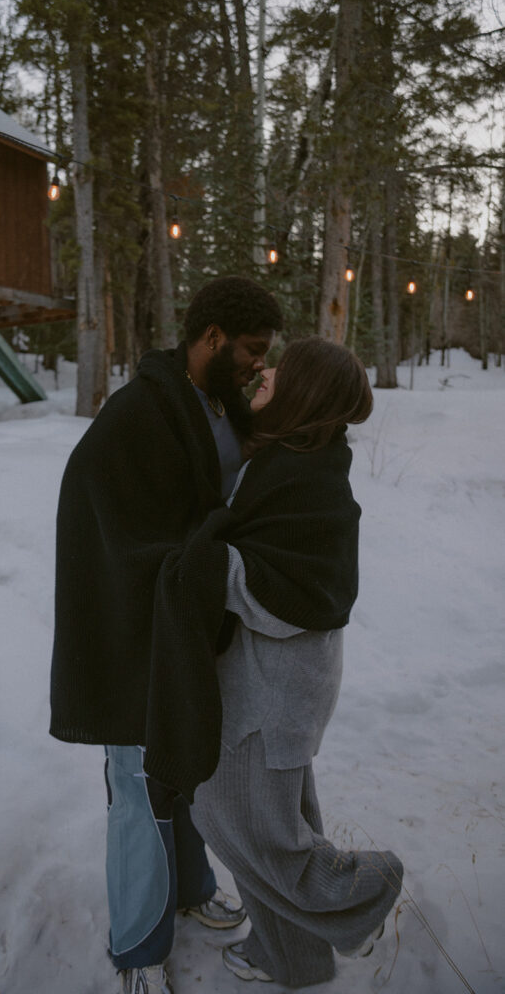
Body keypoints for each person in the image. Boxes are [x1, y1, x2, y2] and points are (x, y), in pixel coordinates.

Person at [49, 276, 283, 994]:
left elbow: (218, 493)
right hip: (127, 628)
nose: (254, 363)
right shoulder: (138, 413)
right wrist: (189, 559)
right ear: (208, 337)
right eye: (247, 350)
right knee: (136, 785)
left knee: (180, 766)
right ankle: (137, 948)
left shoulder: (214, 403)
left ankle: (188, 886)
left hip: (179, 620)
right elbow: (104, 520)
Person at [183, 336, 405, 988]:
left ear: (302, 391)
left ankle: (368, 886)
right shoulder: (287, 459)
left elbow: (300, 596)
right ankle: (293, 958)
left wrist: (207, 566)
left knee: (258, 838)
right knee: (262, 828)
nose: (265, 371)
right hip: (263, 688)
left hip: (271, 698)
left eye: (281, 368)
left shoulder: (313, 485)